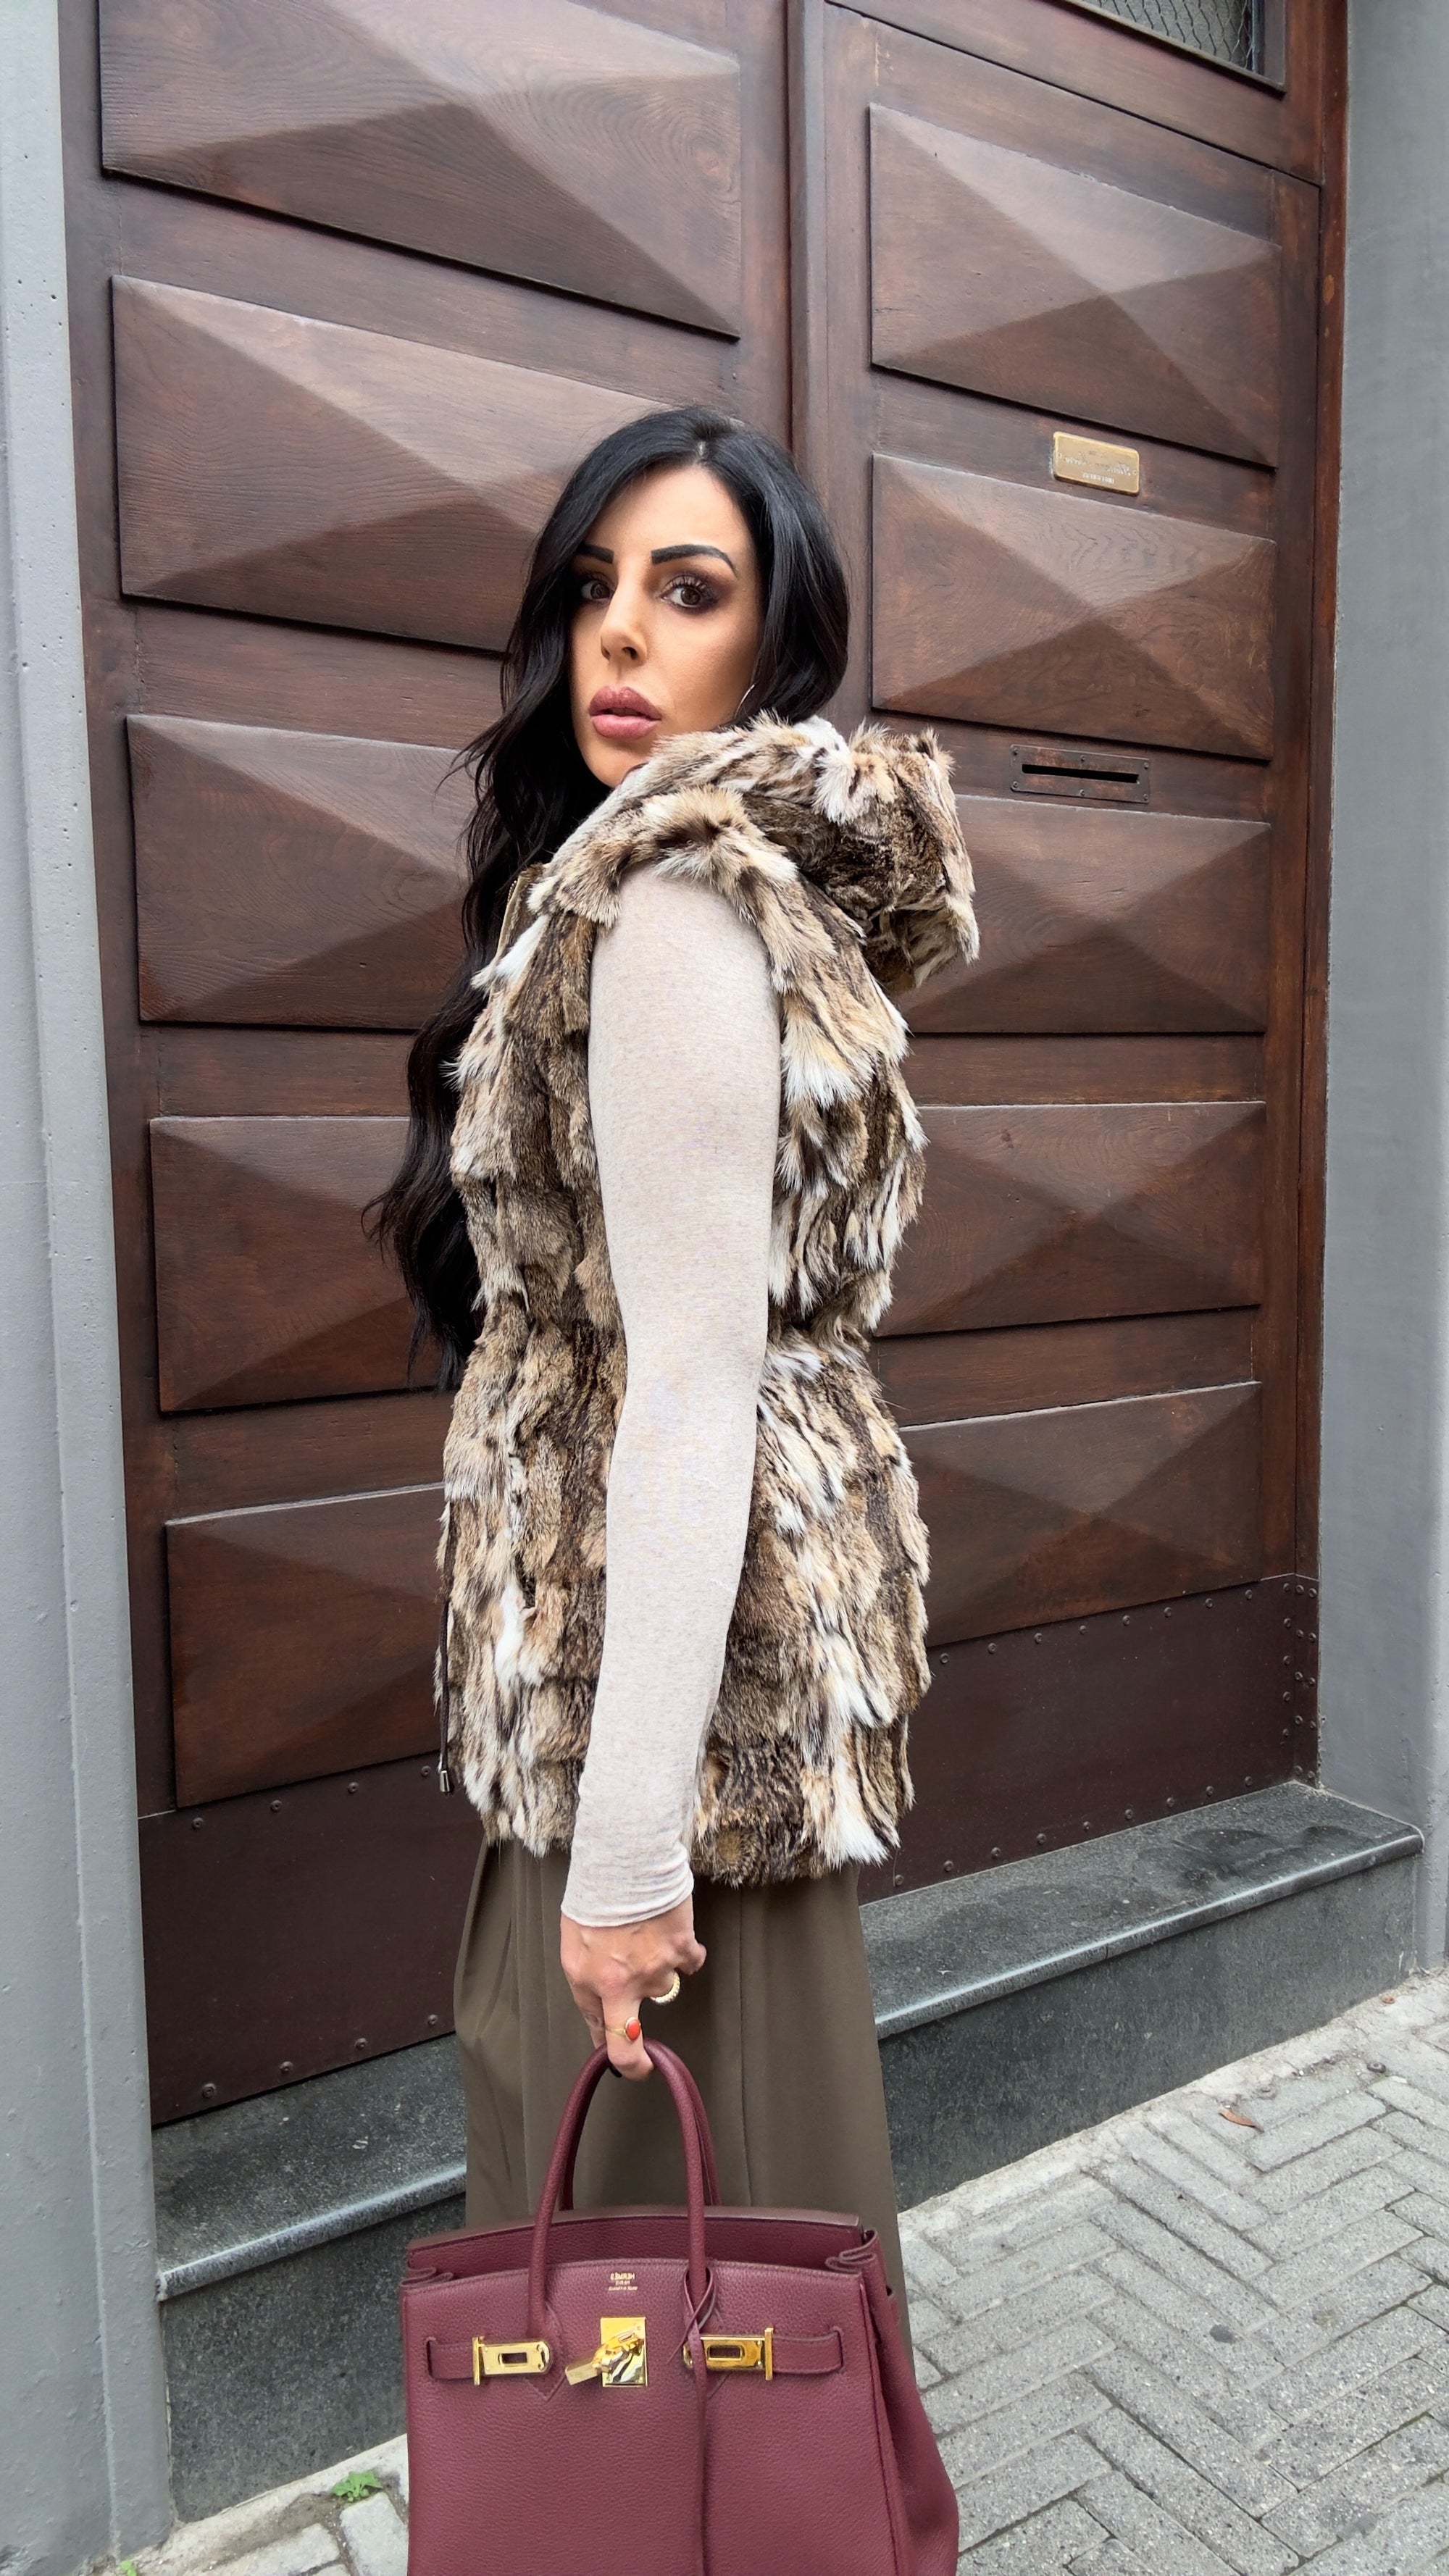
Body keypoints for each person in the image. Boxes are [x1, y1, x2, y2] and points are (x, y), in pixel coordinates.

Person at [376, 406, 977, 2334]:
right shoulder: (705, 895)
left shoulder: (671, 912)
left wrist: (629, 1856)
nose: (620, 634)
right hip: (682, 1698)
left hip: (657, 1739)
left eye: (689, 590)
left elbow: (695, 1389)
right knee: (727, 2305)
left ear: (774, 644)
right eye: (592, 587)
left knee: (651, 2325)